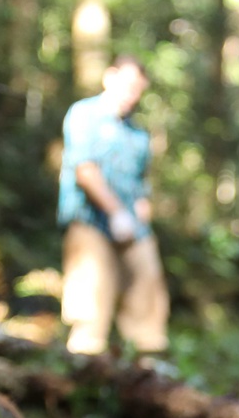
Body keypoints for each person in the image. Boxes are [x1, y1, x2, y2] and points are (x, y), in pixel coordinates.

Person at [57, 55, 169, 356]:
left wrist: (141, 216)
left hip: (134, 228)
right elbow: (84, 170)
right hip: (89, 221)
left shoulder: (138, 134)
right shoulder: (84, 114)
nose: (132, 94)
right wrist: (115, 211)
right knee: (90, 303)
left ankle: (148, 368)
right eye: (128, 85)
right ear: (110, 77)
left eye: (138, 90)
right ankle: (83, 367)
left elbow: (141, 184)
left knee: (148, 293)